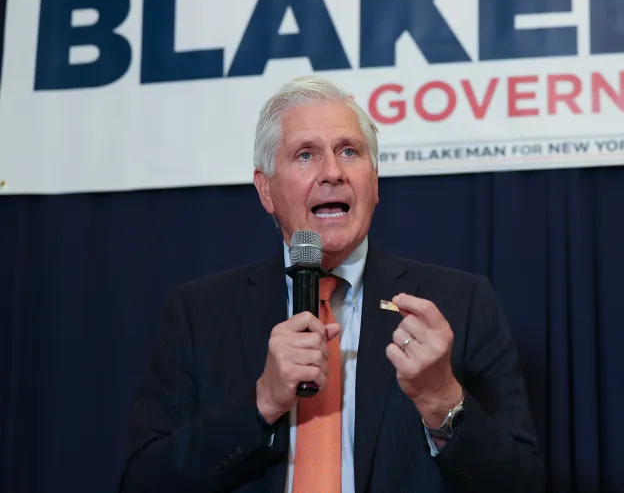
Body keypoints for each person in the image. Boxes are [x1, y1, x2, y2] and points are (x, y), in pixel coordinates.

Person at [119, 76, 543, 493]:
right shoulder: (199, 313)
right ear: (265, 190)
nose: (333, 172)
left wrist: (442, 402)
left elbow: (522, 483)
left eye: (349, 151)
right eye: (305, 154)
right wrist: (262, 402)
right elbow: (144, 482)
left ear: (374, 184)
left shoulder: (460, 304)